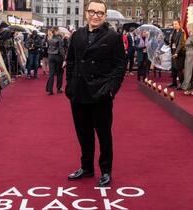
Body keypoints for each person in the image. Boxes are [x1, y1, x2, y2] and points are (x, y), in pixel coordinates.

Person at [65, 0, 126, 186]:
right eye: (92, 11)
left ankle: (106, 171)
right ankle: (86, 168)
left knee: (104, 135)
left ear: (105, 16)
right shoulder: (77, 36)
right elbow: (72, 61)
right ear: (86, 13)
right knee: (83, 135)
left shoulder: (113, 37)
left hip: (101, 94)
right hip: (79, 93)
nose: (95, 15)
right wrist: (70, 85)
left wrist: (110, 90)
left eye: (100, 13)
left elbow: (120, 66)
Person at [181, 23, 193, 95]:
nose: (187, 28)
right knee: (189, 72)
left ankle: (189, 89)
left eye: (188, 27)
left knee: (190, 72)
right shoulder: (190, 36)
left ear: (191, 28)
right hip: (188, 56)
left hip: (191, 56)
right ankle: (191, 89)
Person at [46, 27, 65, 95]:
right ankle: (59, 88)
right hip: (57, 56)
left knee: (51, 74)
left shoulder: (49, 38)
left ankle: (50, 89)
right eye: (59, 30)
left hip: (50, 56)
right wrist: (64, 58)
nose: (60, 31)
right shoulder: (59, 39)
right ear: (56, 31)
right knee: (60, 73)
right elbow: (61, 49)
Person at [168, 19, 186, 89]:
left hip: (179, 54)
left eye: (176, 24)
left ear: (179, 24)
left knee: (179, 69)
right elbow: (172, 42)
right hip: (173, 52)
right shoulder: (174, 32)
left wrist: (176, 53)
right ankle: (174, 83)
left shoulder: (182, 32)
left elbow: (181, 44)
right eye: (173, 24)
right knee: (173, 69)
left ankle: (181, 84)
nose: (174, 25)